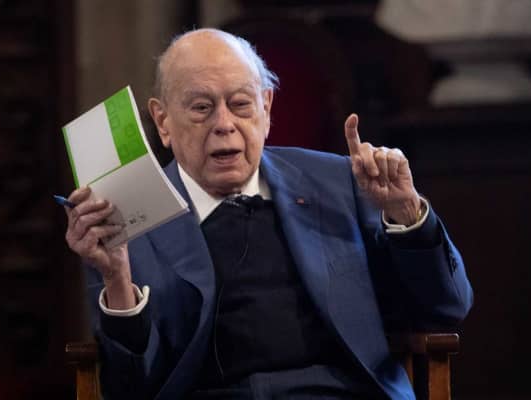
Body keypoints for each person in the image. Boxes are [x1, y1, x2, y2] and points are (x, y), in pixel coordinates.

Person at [63, 28, 472, 399]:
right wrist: (117, 278)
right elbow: (129, 385)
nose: (224, 124)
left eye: (241, 104)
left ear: (267, 106)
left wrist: (406, 214)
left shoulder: (339, 184)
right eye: (202, 108)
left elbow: (446, 309)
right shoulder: (127, 214)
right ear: (163, 121)